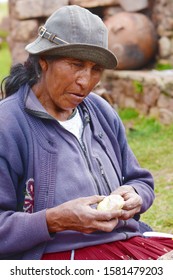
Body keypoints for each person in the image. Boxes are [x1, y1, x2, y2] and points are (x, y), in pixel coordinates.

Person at [0, 5, 172, 260]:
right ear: (43, 60)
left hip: (124, 242)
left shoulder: (100, 111)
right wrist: (54, 220)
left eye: (95, 69)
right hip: (54, 258)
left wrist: (136, 195)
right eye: (75, 64)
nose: (85, 81)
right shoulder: (9, 125)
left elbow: (140, 180)